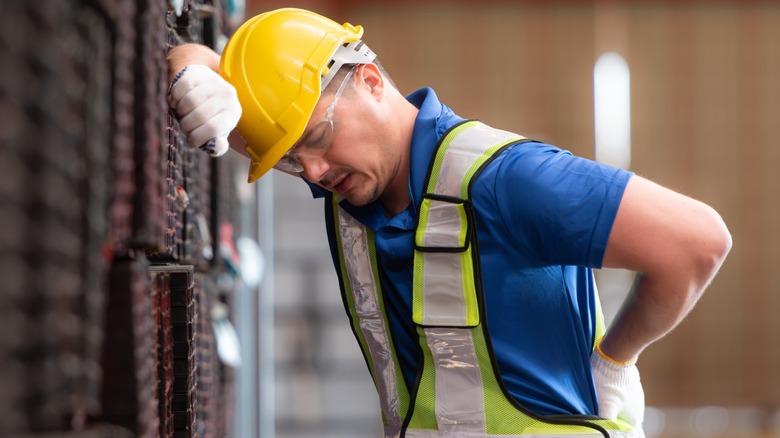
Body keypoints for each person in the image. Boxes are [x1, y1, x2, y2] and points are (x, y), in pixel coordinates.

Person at [166, 8, 731, 438]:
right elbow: (213, 86)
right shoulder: (351, 177)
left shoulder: (508, 182)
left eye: (315, 139)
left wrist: (615, 359)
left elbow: (697, 243)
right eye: (289, 159)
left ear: (369, 80)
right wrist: (191, 69)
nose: (311, 170)